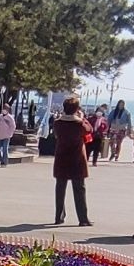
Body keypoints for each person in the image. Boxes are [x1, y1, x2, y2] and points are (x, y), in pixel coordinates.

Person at [50, 95, 94, 225]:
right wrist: (82, 118)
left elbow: (56, 134)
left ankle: (59, 216)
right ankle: (83, 218)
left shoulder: (58, 123)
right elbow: (89, 130)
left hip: (61, 158)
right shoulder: (79, 123)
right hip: (77, 159)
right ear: (76, 109)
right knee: (79, 189)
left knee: (60, 188)